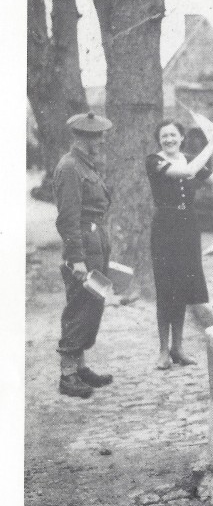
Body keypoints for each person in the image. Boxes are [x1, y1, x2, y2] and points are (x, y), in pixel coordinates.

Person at [146, 121, 213, 369]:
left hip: (188, 226)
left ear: (182, 138)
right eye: (164, 136)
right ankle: (162, 351)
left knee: (182, 287)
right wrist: (212, 145)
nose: (169, 139)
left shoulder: (190, 158)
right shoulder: (154, 160)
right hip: (165, 227)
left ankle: (177, 349)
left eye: (173, 135)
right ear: (159, 140)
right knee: (165, 286)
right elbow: (187, 172)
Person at [53, 111, 115, 399]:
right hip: (83, 246)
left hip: (95, 241)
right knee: (80, 306)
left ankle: (80, 367)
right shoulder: (70, 168)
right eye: (97, 137)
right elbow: (68, 219)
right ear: (83, 138)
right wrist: (76, 258)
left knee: (92, 304)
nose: (102, 141)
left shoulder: (86, 166)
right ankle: (67, 375)